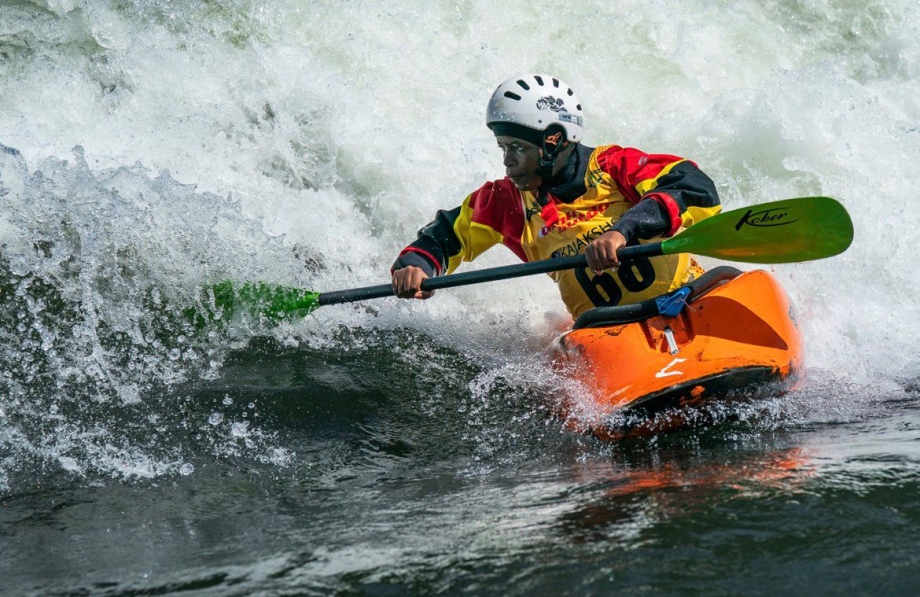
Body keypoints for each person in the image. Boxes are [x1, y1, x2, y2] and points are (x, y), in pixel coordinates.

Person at [391, 74, 722, 319]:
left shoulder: (615, 165)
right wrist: (416, 266)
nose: (507, 161)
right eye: (503, 148)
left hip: (688, 299)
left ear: (554, 141)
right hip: (604, 333)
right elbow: (446, 235)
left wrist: (623, 230)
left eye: (518, 148)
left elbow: (694, 187)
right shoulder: (508, 203)